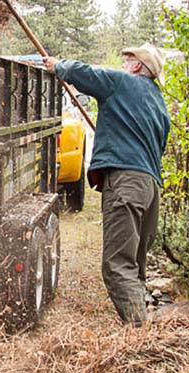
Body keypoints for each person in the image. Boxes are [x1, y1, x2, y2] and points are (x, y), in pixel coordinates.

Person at [45, 44, 171, 326]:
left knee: (117, 267)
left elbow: (85, 73)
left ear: (137, 66)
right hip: (150, 188)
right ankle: (142, 323)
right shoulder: (158, 102)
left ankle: (141, 337)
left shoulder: (123, 82)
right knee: (134, 266)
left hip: (125, 184)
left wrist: (58, 66)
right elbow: (157, 145)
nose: (123, 64)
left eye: (127, 60)